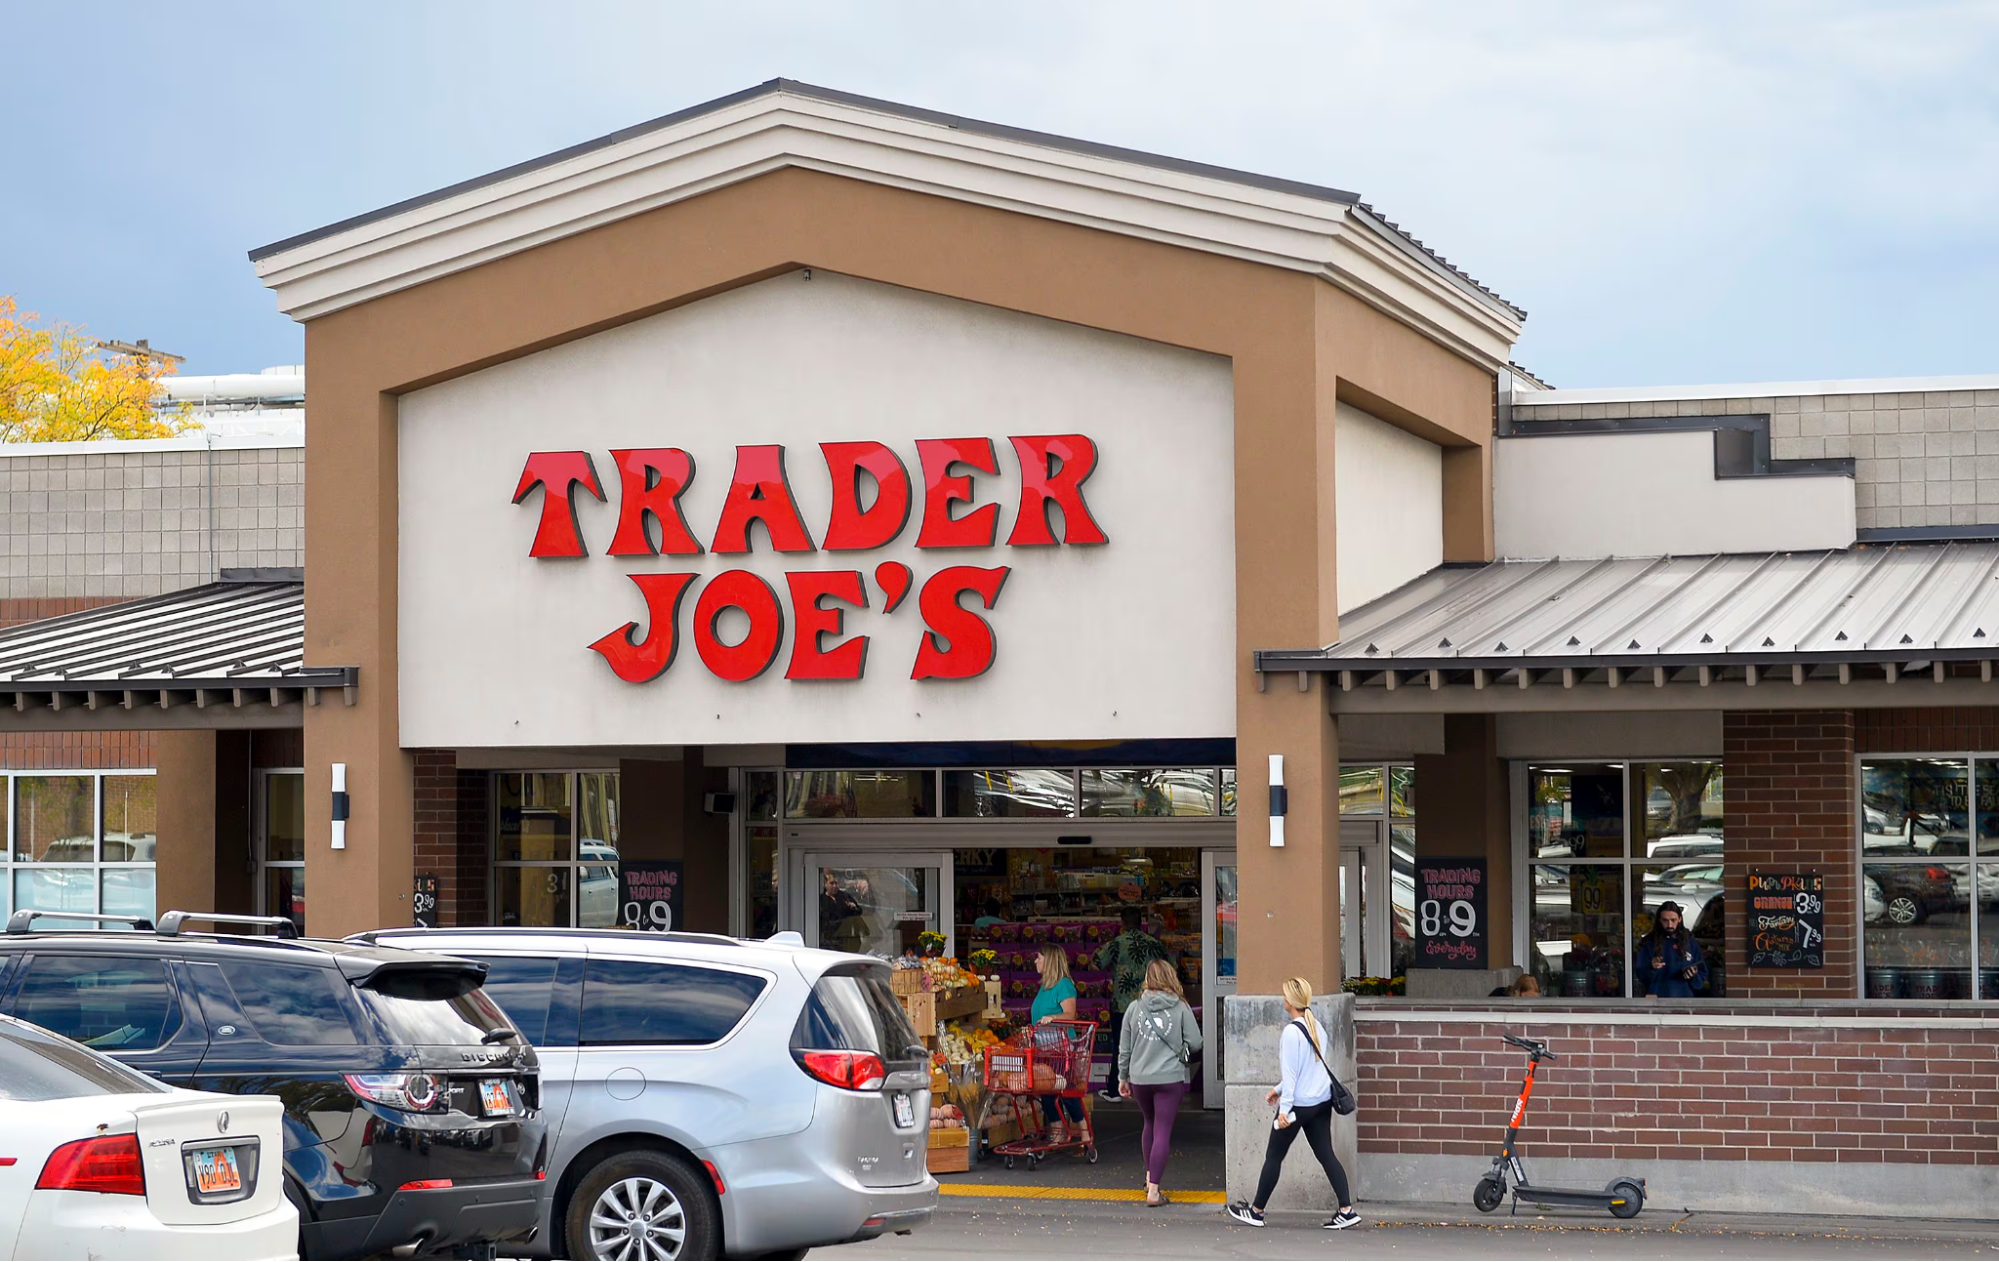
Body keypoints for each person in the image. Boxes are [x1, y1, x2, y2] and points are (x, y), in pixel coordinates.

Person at [1227, 977, 1359, 1232]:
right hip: (1320, 1103)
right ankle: (1346, 1210)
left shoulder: (1291, 1032)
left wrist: (1284, 1111)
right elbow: (1308, 1069)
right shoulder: (1317, 1026)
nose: (1283, 999)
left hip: (1298, 1106)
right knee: (1326, 1154)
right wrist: (1277, 1090)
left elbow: (1293, 1075)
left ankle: (1256, 1211)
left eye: (1285, 995)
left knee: (1274, 1156)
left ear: (1290, 1001)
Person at [1119, 958, 1204, 1207]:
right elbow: (1197, 1042)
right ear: (1171, 977)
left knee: (1149, 1123)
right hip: (1169, 1077)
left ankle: (1148, 1179)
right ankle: (1154, 1191)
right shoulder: (1180, 1007)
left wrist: (1122, 1078)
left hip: (1140, 1079)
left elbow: (1125, 1048)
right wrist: (1180, 1049)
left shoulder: (1134, 1008)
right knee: (1163, 1130)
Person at [1093, 906, 1169, 1101]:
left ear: (1123, 923)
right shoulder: (1153, 944)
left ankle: (1115, 1090)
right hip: (1150, 1003)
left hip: (1122, 1005)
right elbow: (1170, 967)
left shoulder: (1116, 944)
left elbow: (1095, 964)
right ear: (1141, 921)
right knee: (1151, 1044)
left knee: (1121, 1046)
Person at [1029, 944, 1085, 1143]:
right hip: (1044, 1047)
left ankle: (1085, 1133)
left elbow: (1071, 1014)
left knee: (1066, 1091)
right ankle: (1059, 1133)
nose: (1036, 961)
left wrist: (1052, 1017)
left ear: (1050, 961)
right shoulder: (1045, 986)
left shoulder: (1064, 985)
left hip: (1061, 1049)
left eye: (1039, 957)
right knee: (1046, 1091)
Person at [1635, 901, 1708, 998]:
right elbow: (1640, 976)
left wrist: (1693, 976)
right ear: (1659, 920)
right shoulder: (1649, 943)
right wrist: (1651, 967)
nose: (1669, 925)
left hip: (1684, 1000)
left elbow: (1702, 978)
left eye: (1673, 920)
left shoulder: (1690, 943)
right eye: (1665, 920)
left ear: (1680, 919)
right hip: (1656, 1000)